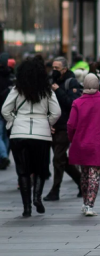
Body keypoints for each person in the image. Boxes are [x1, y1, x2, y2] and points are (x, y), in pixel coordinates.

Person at [1, 58, 61, 217]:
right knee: (41, 169)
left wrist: (14, 121)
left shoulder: (17, 89)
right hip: (41, 134)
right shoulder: (47, 90)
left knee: (23, 171)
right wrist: (47, 123)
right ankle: (37, 198)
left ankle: (26, 207)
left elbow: (5, 110)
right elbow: (56, 112)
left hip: (19, 134)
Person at [67, 74, 100, 216]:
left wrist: (73, 139)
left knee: (84, 173)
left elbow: (71, 124)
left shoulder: (78, 103)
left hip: (81, 143)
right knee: (95, 175)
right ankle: (90, 204)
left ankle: (85, 203)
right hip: (99, 143)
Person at [43, 57, 83, 201]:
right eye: (52, 67)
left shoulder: (71, 82)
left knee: (58, 158)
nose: (54, 71)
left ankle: (55, 190)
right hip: (53, 126)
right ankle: (81, 182)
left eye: (57, 68)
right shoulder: (49, 82)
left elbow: (73, 104)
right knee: (62, 159)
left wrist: (58, 90)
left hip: (66, 126)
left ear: (64, 69)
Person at [0, 53, 15, 170]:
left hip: (1, 109)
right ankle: (4, 155)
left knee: (1, 135)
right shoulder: (12, 76)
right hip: (10, 109)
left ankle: (4, 156)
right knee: (5, 135)